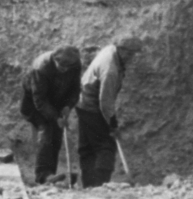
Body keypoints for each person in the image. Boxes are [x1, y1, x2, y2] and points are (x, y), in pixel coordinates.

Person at [75, 37, 145, 187]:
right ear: (123, 51)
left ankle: (89, 184)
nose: (133, 59)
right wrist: (112, 123)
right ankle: (100, 185)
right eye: (132, 54)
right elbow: (105, 102)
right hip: (91, 105)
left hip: (82, 100)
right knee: (105, 145)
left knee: (87, 146)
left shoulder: (111, 50)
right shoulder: (110, 70)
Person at [19, 45, 82, 184]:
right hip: (34, 104)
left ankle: (50, 175)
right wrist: (55, 117)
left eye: (68, 67)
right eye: (61, 65)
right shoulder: (41, 67)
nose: (64, 69)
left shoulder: (75, 64)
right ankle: (42, 175)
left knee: (57, 135)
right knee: (47, 130)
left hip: (57, 102)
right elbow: (39, 100)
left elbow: (75, 89)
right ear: (54, 58)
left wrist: (68, 106)